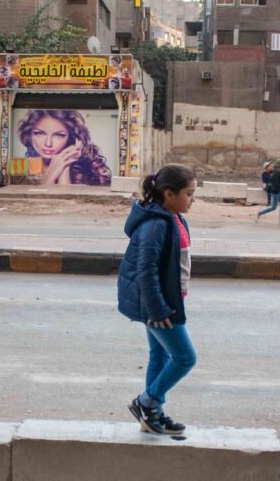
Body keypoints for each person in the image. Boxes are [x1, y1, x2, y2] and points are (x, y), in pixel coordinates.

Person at [117, 165, 198, 435]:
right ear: (169, 193)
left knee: (160, 354)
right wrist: (157, 308)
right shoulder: (156, 224)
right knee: (185, 358)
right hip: (157, 304)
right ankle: (146, 402)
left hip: (165, 300)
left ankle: (153, 414)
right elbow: (146, 269)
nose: (192, 199)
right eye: (189, 193)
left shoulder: (173, 217)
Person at [17, 109, 112, 186]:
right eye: (39, 133)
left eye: (59, 135)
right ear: (28, 134)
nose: (48, 143)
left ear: (72, 137)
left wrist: (65, 164)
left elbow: (65, 206)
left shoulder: (87, 169)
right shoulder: (19, 167)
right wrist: (49, 177)